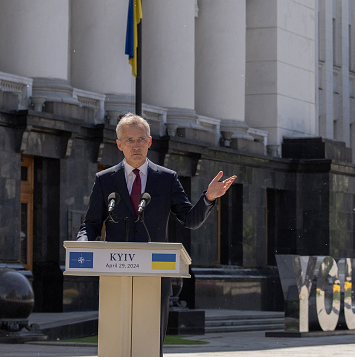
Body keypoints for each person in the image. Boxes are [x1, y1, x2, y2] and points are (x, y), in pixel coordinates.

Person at [77, 112, 236, 356]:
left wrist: (208, 198)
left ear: (149, 142)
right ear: (119, 144)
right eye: (129, 140)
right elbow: (91, 224)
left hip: (155, 278)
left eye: (141, 139)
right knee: (114, 344)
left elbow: (190, 220)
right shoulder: (105, 180)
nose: (136, 145)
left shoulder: (166, 179)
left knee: (149, 346)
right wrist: (83, 244)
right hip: (114, 277)